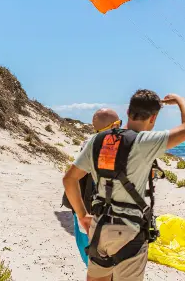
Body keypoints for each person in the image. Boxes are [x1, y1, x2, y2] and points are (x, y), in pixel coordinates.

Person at [63, 90, 185, 281]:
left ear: (128, 111)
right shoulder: (145, 142)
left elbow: (69, 180)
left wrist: (82, 215)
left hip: (99, 227)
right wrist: (180, 100)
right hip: (129, 231)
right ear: (153, 118)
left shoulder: (97, 140)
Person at [64, 108, 122, 266]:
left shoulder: (88, 143)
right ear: (115, 124)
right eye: (120, 124)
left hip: (83, 206)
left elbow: (71, 179)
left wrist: (81, 213)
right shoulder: (110, 146)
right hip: (100, 210)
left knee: (89, 255)